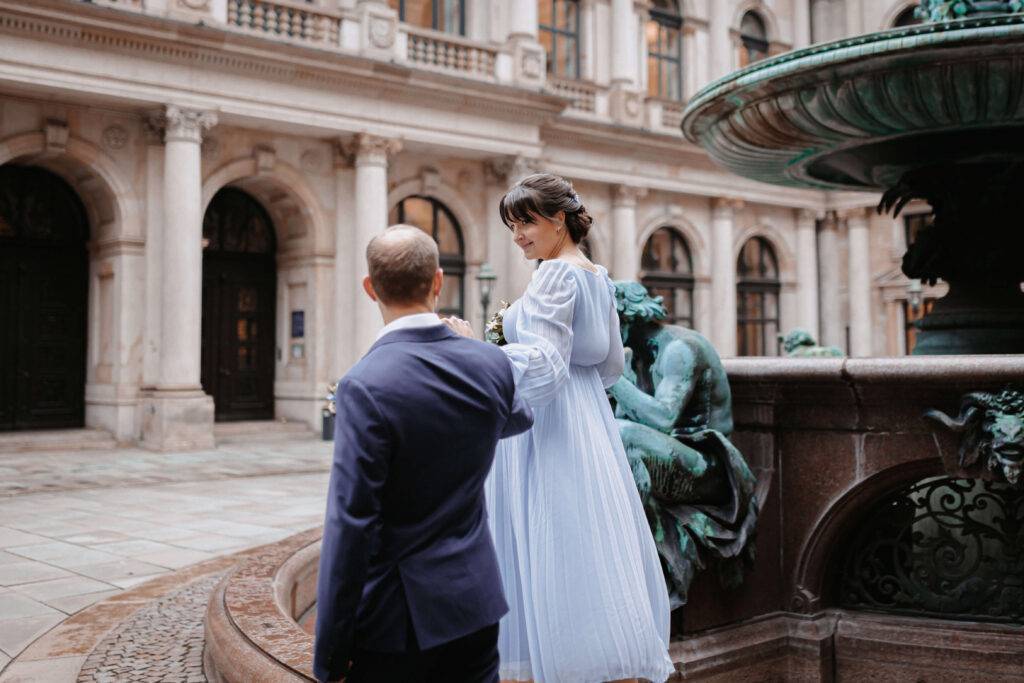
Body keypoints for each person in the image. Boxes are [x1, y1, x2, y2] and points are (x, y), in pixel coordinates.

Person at [443, 174, 675, 683]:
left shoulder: (553, 276)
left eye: (525, 222)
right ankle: (598, 659)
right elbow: (610, 364)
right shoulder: (596, 275)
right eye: (512, 225)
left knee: (550, 539)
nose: (518, 236)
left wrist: (476, 353)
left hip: (547, 426)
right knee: (586, 541)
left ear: (559, 219)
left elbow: (546, 367)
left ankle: (558, 666)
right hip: (589, 420)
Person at [314, 225, 534, 683]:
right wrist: (475, 349)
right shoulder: (489, 362)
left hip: (397, 620)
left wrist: (330, 653)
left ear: (369, 288)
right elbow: (519, 418)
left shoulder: (364, 384)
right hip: (476, 603)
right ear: (438, 282)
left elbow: (351, 523)